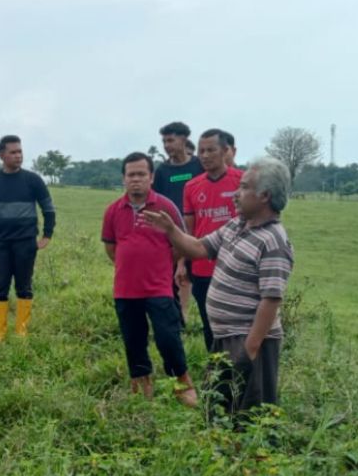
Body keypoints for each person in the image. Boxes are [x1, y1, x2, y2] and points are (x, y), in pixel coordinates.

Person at [143, 157, 294, 420]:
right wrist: (170, 230)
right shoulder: (238, 225)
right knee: (219, 406)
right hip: (224, 336)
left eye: (244, 188)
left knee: (250, 415)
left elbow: (271, 300)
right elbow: (200, 248)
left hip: (249, 339)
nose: (236, 194)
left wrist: (250, 348)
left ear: (264, 196)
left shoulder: (273, 242)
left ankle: (252, 460)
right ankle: (220, 453)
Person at [102, 153, 198, 406]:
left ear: (151, 177)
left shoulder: (165, 207)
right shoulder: (113, 211)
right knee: (133, 339)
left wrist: (163, 266)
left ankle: (183, 383)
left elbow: (179, 243)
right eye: (131, 175)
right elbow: (111, 248)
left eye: (141, 174)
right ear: (123, 178)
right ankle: (141, 383)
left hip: (159, 287)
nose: (136, 180)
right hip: (125, 289)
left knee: (168, 337)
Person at [0, 135, 56, 342]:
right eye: (13, 152)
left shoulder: (33, 180)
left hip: (26, 243)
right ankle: (0, 335)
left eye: (20, 151)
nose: (18, 156)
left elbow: (48, 208)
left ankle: (21, 331)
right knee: (0, 287)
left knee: (24, 286)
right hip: (0, 244)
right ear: (2, 155)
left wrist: (47, 234)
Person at [180, 129, 243, 353]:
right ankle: (215, 370)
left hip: (236, 266)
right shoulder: (191, 186)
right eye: (201, 151)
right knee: (210, 323)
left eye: (211, 150)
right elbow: (189, 230)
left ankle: (239, 368)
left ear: (226, 151)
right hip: (203, 267)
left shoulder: (243, 181)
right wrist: (182, 263)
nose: (205, 156)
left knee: (237, 323)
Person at [152, 122, 204, 316]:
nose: (167, 145)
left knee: (197, 276)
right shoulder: (162, 172)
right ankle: (180, 316)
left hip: (198, 230)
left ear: (183, 139)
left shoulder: (199, 165)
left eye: (171, 140)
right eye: (164, 141)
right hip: (170, 233)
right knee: (173, 276)